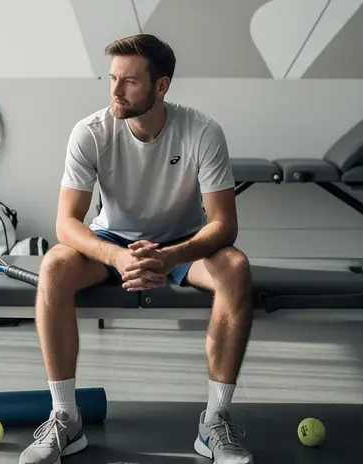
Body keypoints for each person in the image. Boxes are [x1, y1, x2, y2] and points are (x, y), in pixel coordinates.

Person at [19, 34, 255, 464]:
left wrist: (168, 257)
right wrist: (117, 256)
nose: (115, 90)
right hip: (112, 241)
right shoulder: (90, 132)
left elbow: (224, 224)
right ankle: (65, 420)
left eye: (128, 81)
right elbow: (66, 222)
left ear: (161, 86)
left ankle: (215, 422)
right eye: (111, 78)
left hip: (183, 241)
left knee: (235, 268)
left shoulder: (202, 131)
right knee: (54, 266)